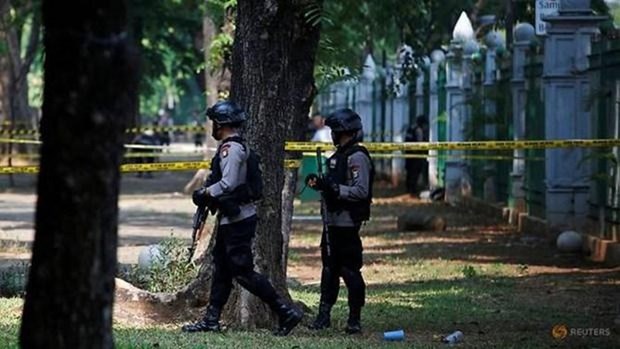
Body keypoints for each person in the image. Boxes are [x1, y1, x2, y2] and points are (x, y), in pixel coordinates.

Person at [182, 100, 303, 336]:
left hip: (239, 221)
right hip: (230, 219)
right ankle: (211, 320)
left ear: (221, 124)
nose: (213, 127)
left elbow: (228, 183)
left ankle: (285, 311)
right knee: (222, 271)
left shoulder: (232, 149)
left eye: (214, 123)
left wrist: (205, 193)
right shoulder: (231, 147)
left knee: (243, 272)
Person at [304, 108, 374, 334]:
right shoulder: (337, 157)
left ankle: (355, 319)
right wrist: (321, 184)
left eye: (335, 130)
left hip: (347, 223)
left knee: (350, 270)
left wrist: (336, 189)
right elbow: (332, 185)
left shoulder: (357, 157)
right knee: (329, 270)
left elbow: (361, 191)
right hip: (331, 223)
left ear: (345, 132)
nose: (332, 134)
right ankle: (323, 315)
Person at [404, 115, 429, 196]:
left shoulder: (410, 128)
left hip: (408, 153)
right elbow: (420, 142)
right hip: (416, 154)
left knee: (409, 172)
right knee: (415, 172)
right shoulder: (418, 130)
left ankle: (409, 188)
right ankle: (412, 190)